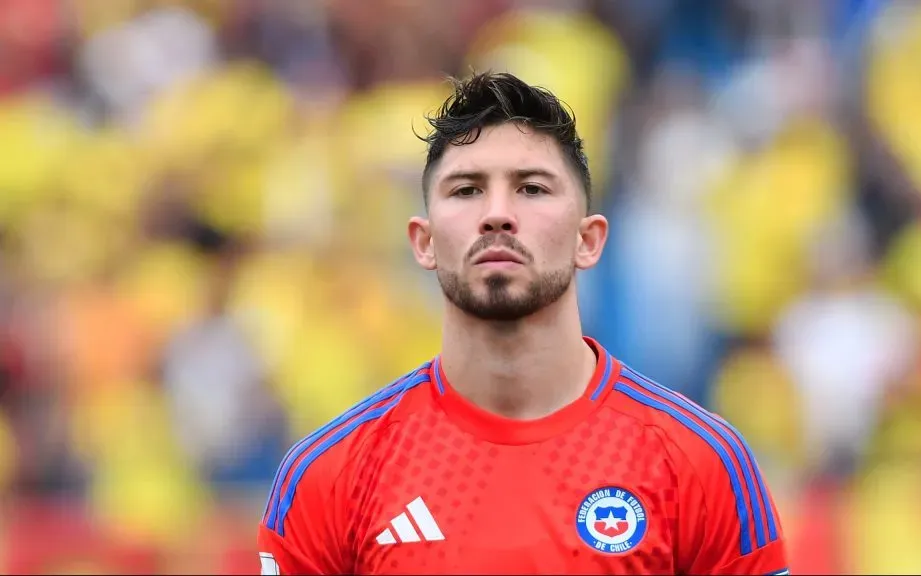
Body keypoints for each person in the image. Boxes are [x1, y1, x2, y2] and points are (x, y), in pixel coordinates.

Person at [256, 71, 789, 575]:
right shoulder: (330, 475)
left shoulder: (701, 462)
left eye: (532, 188)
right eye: (466, 190)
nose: (497, 213)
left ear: (589, 239)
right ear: (424, 241)